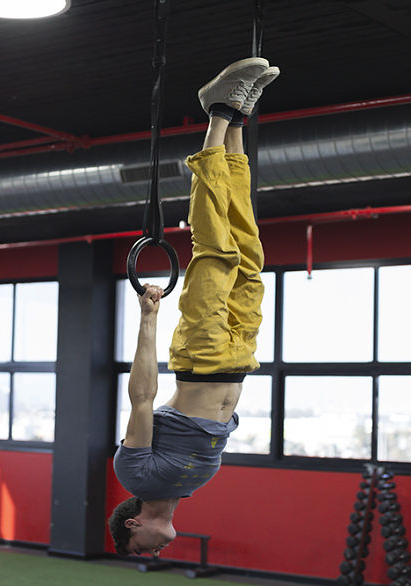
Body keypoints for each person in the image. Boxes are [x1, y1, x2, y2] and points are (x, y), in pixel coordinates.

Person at [108, 57, 280, 557]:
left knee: (216, 249)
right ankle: (238, 120)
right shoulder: (188, 487)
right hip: (240, 356)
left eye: (141, 548)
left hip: (200, 358)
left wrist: (148, 318)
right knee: (248, 255)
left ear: (133, 524)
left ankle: (215, 115)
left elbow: (142, 397)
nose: (152, 552)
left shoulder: (134, 472)